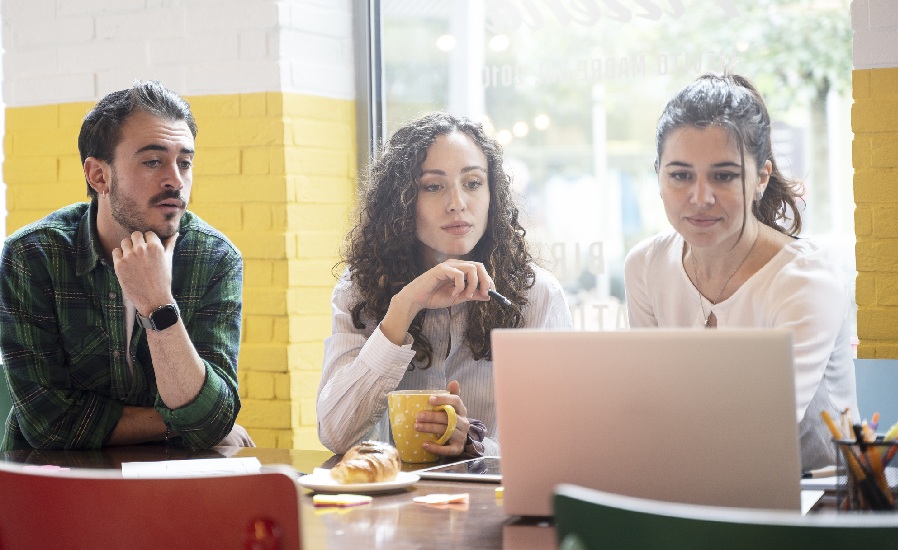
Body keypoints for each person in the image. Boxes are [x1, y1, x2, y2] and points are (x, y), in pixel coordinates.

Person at [0, 81, 253, 450]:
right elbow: (49, 425)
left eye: (185, 162)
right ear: (99, 175)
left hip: (174, 484)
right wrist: (182, 421)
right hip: (59, 484)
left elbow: (211, 420)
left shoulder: (214, 258)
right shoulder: (32, 256)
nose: (176, 180)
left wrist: (157, 303)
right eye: (153, 161)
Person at [624, 73, 857, 470]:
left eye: (724, 175)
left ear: (760, 178)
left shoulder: (806, 280)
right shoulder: (645, 266)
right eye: (680, 175)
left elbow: (762, 434)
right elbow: (653, 405)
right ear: (659, 177)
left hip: (817, 501)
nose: (700, 197)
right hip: (696, 484)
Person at [317, 112, 572, 458]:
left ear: (492, 194)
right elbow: (335, 432)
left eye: (473, 183)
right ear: (402, 202)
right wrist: (403, 308)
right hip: (393, 502)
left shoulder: (536, 294)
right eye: (433, 186)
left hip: (498, 503)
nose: (457, 203)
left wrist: (475, 445)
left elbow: (558, 441)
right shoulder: (361, 289)